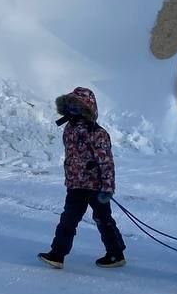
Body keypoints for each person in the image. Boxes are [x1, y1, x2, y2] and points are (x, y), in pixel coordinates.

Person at [38, 86, 126, 269]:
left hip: (96, 187)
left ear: (87, 110)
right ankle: (57, 254)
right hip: (76, 185)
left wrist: (107, 188)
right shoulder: (68, 129)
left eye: (77, 107)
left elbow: (106, 162)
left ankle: (116, 254)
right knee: (68, 219)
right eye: (70, 107)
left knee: (104, 220)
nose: (72, 111)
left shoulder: (97, 133)